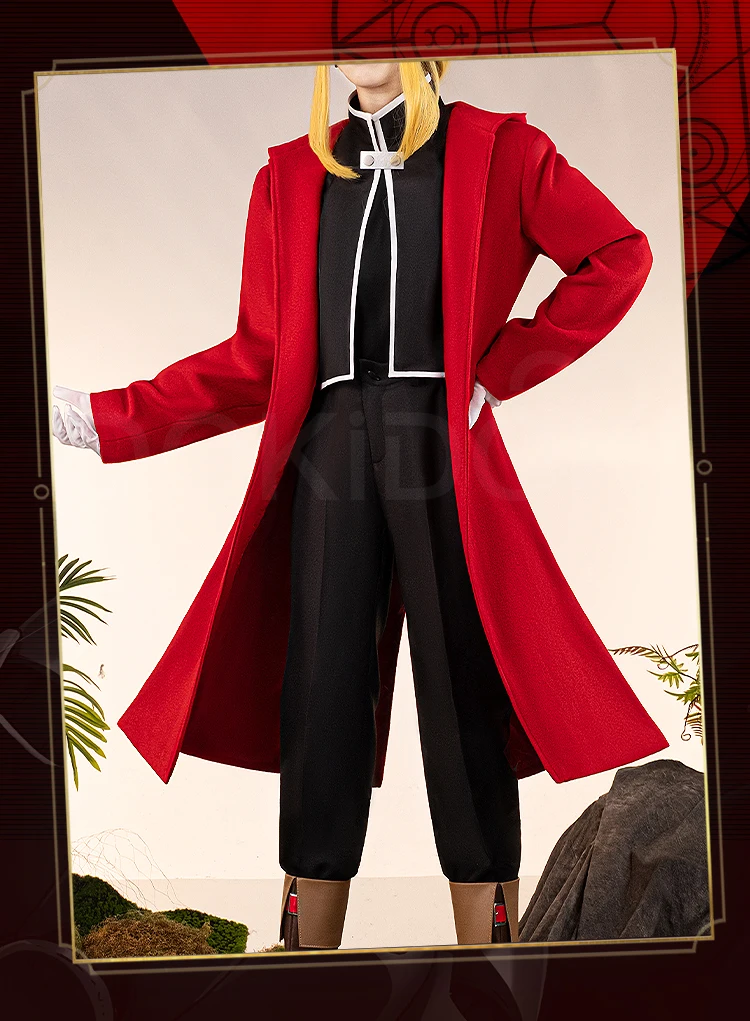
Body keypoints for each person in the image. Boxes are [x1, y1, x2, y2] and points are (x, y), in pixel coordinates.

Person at [52, 60, 668, 952]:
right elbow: (256, 358)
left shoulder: (505, 150)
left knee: (464, 687)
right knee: (320, 686)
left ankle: (493, 958)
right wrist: (100, 415)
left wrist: (500, 370)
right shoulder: (289, 176)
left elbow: (619, 255)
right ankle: (306, 958)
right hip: (330, 448)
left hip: (440, 442)